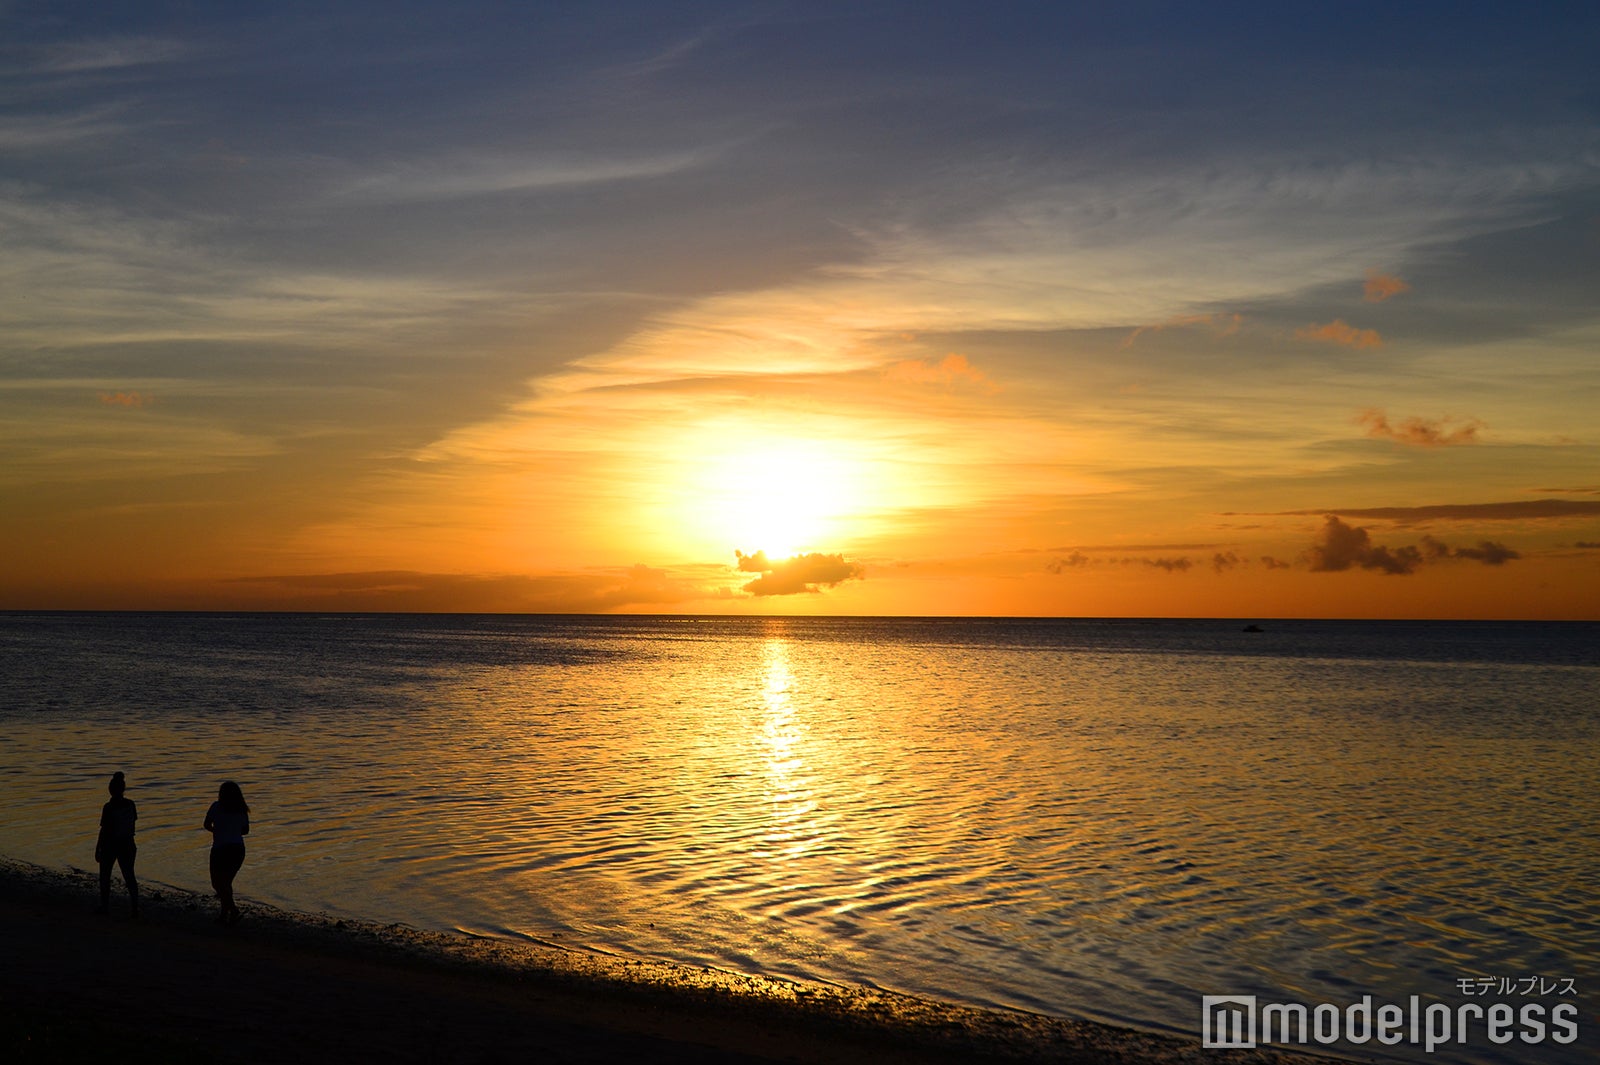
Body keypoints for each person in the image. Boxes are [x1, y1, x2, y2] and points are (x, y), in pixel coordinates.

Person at [203, 780, 250, 925]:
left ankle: (232, 911)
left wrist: (217, 831)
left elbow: (206, 824)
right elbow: (245, 830)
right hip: (237, 849)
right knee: (225, 883)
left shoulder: (216, 807)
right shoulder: (241, 809)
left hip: (221, 849)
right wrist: (232, 831)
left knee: (218, 884)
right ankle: (225, 914)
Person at [95, 771, 139, 916]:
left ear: (110, 789)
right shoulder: (131, 804)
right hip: (128, 843)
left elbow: (104, 830)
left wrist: (98, 847)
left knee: (105, 876)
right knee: (129, 876)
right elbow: (133, 822)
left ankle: (104, 906)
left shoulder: (109, 807)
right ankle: (135, 908)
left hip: (111, 844)